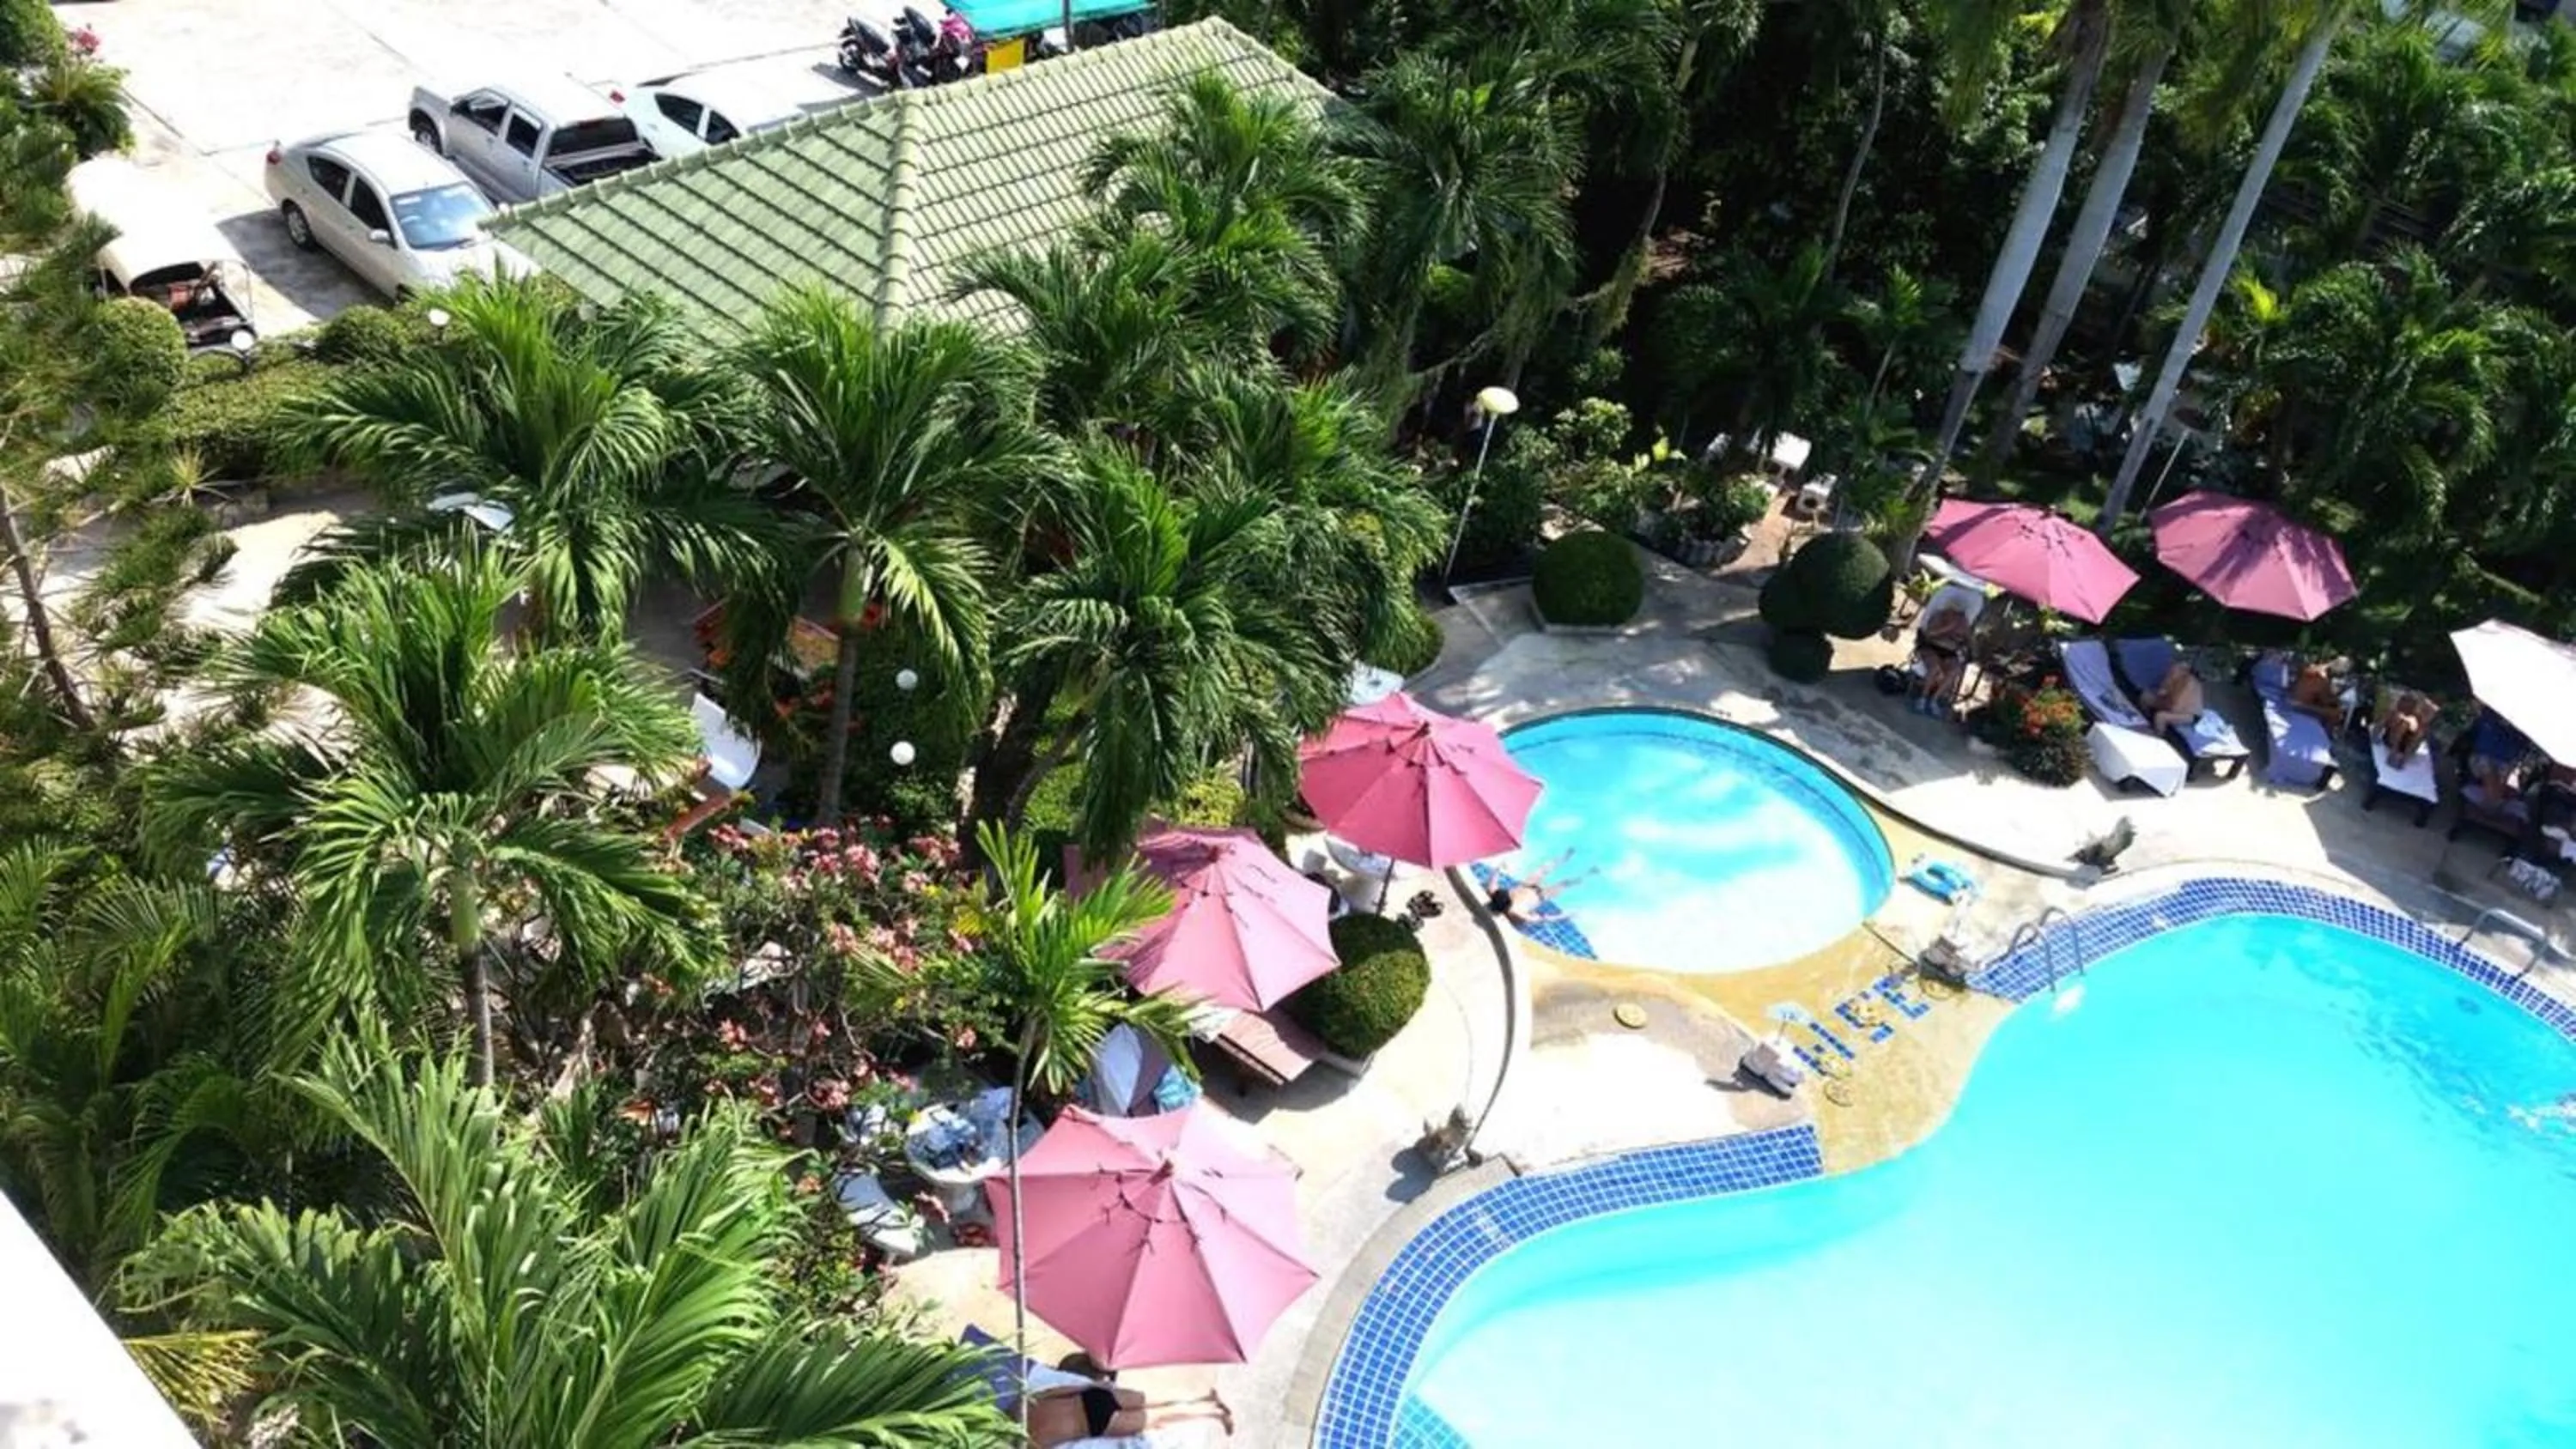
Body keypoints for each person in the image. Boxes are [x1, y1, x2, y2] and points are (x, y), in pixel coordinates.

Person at [1029, 1382, 1232, 1446]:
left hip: (1093, 1423)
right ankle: (1206, 1398)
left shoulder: (1025, 1443)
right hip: (1091, 1398)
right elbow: (1056, 1392)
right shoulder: (1020, 1405)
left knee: (1159, 1417)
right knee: (1153, 1398)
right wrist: (1092, 1385)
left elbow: (1068, 1441)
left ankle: (1213, 1414)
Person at [1485, 848, 1597, 922]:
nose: (1510, 893)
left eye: (1508, 892)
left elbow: (1493, 880)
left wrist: (1500, 866)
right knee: (1565, 883)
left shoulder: (1494, 893)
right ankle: (1589, 874)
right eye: (1509, 895)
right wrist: (1567, 915)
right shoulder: (1517, 912)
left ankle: (1565, 856)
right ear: (1509, 904)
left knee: (1545, 868)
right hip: (1541, 895)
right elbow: (1545, 919)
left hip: (1527, 884)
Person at [1912, 597, 1976, 716]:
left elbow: (1968, 639)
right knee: (1935, 668)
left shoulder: (1963, 621)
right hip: (1932, 647)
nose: (1955, 616)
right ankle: (1923, 697)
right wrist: (1947, 629)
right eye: (1953, 613)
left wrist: (1963, 640)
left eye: (1958, 613)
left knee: (1955, 670)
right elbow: (1928, 635)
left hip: (1950, 651)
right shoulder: (1938, 616)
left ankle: (1934, 699)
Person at [2141, 659, 2204, 733]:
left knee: (2161, 717)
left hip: (2190, 715)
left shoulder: (2190, 683)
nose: (2172, 672)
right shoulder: (2173, 677)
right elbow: (2162, 692)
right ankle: (2144, 719)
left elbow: (2177, 707)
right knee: (2146, 697)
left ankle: (2159, 735)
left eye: (2178, 670)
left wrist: (2163, 703)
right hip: (2172, 705)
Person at [2378, 690, 2436, 764]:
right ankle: (2393, 755)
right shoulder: (2398, 711)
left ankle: (2402, 760)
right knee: (2403, 724)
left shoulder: (2419, 717)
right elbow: (2388, 717)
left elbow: (2420, 733)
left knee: (2419, 732)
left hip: (2406, 746)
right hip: (2391, 740)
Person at [2287, 661, 2343, 726]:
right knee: (2335, 713)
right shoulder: (2321, 677)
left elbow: (2323, 698)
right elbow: (2325, 699)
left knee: (2333, 711)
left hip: (2298, 702)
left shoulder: (2318, 672)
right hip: (2300, 706)